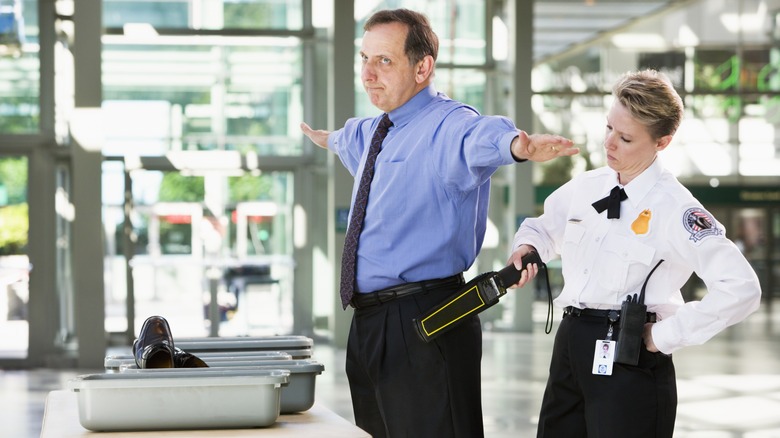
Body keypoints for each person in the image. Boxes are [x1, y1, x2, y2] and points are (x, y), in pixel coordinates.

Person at [300, 8, 576, 438]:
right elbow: (346, 136)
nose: (368, 74)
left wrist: (517, 146)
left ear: (423, 67)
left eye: (384, 61)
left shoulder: (450, 126)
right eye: (364, 59)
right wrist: (327, 139)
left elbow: (483, 137)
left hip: (425, 320)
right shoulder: (374, 131)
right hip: (368, 324)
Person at [507, 69, 761, 438]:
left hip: (631, 355)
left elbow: (742, 289)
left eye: (625, 138)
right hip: (571, 345)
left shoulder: (677, 209)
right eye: (609, 127)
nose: (609, 143)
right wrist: (527, 248)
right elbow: (542, 228)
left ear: (663, 142)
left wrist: (667, 335)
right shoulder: (587, 186)